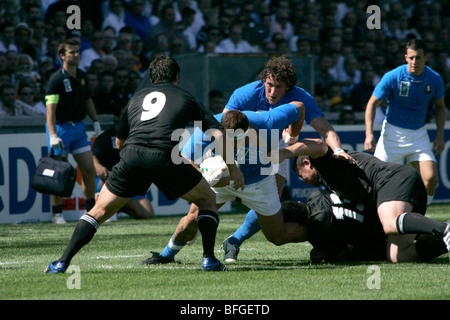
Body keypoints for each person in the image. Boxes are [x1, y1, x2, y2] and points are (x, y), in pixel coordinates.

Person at [45, 54, 244, 273]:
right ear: (176, 76)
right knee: (207, 198)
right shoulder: (185, 97)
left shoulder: (136, 97)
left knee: (98, 211)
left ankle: (62, 262)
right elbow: (218, 134)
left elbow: (119, 141)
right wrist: (233, 169)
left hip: (132, 155)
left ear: (152, 78)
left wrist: (130, 165)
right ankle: (209, 260)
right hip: (164, 156)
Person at [221, 55, 354, 262]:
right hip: (243, 145)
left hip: (277, 148)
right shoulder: (245, 93)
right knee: (208, 200)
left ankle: (234, 241)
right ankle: (172, 250)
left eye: (279, 87)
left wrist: (337, 149)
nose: (272, 91)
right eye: (269, 85)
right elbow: (223, 126)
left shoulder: (300, 97)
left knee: (270, 200)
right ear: (264, 80)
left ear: (289, 87)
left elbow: (324, 128)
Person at [143, 101, 306, 266]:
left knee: (277, 237)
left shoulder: (269, 121)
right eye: (229, 141)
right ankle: (166, 255)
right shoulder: (209, 126)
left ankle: (324, 234)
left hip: (260, 181)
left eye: (239, 139)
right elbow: (184, 157)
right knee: (193, 218)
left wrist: (292, 136)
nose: (234, 144)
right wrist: (207, 177)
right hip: (222, 178)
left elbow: (299, 106)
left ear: (249, 128)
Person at [275, 138, 450, 262]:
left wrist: (285, 152)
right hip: (399, 189)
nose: (306, 182)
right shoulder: (329, 185)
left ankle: (445, 229)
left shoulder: (326, 165)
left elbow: (318, 144)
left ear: (307, 163)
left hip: (393, 179)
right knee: (398, 256)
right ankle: (444, 242)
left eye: (303, 177)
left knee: (390, 223)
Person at [364, 39, 446, 207]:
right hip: (392, 134)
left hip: (418, 134)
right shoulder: (393, 76)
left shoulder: (434, 79)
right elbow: (372, 104)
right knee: (377, 181)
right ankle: (372, 218)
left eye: (418, 57)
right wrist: (369, 134)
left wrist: (440, 136)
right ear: (405, 57)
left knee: (430, 179)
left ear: (426, 58)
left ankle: (420, 212)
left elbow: (440, 107)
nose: (414, 62)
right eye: (411, 58)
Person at [282, 190, 447, 263]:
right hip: (381, 211)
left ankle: (444, 243)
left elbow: (342, 257)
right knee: (420, 233)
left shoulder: (318, 229)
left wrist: (323, 251)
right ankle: (443, 229)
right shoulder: (314, 195)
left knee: (399, 256)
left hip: (378, 237)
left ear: (295, 223)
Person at [44, 39, 102, 224]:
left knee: (88, 169)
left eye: (78, 51)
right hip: (60, 129)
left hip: (78, 128)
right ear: (62, 56)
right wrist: (53, 135)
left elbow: (88, 100)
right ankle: (57, 214)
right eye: (72, 52)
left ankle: (90, 211)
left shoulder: (82, 76)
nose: (76, 54)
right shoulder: (56, 80)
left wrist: (95, 122)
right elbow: (50, 111)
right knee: (58, 172)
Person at [91, 113, 154, 220]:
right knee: (106, 180)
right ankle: (101, 207)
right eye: (125, 114)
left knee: (147, 213)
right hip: (107, 180)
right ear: (116, 116)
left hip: (128, 182)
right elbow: (91, 156)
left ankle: (117, 206)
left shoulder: (138, 136)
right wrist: (98, 166)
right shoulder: (105, 137)